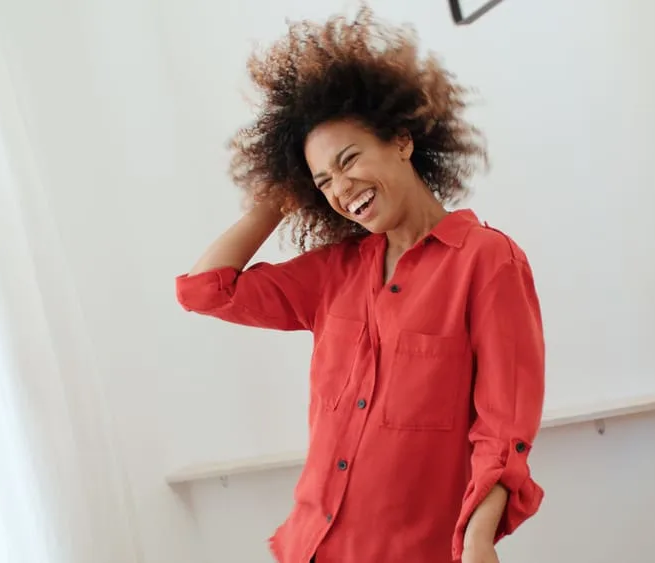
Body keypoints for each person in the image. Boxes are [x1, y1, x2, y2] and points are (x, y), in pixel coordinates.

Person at [176, 8, 545, 563]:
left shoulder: (487, 262)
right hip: (311, 548)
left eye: (350, 161)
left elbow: (504, 428)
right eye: (322, 181)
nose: (342, 188)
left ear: (401, 140)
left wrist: (476, 540)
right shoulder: (335, 273)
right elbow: (206, 290)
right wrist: (278, 198)